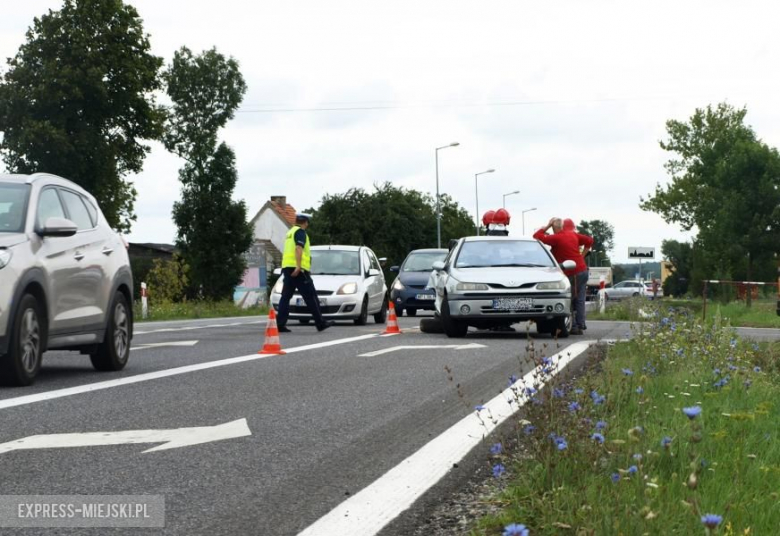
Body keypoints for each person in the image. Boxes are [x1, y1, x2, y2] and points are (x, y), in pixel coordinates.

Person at [533, 217, 593, 335]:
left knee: (571, 299)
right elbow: (590, 241)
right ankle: (579, 325)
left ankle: (575, 325)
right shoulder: (573, 235)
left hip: (573, 272)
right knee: (580, 299)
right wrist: (582, 255)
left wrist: (547, 225)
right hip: (582, 270)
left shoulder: (556, 237)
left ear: (554, 227)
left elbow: (536, 236)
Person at [276, 213, 334, 333]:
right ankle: (320, 323)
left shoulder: (290, 232)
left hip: (287, 268)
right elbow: (298, 248)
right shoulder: (300, 233)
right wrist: (298, 266)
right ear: (305, 222)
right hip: (298, 270)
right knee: (311, 296)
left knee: (285, 296)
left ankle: (280, 324)